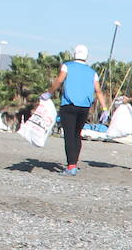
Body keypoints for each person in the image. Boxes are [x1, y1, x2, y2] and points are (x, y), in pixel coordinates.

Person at [45, 44, 107, 175]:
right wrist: (105, 108)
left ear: (74, 54)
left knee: (69, 136)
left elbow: (59, 81)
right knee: (77, 135)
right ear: (86, 56)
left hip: (69, 105)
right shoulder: (92, 72)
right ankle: (74, 163)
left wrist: (49, 93)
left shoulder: (67, 66)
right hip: (84, 108)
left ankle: (71, 166)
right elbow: (99, 91)